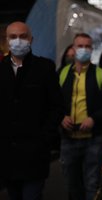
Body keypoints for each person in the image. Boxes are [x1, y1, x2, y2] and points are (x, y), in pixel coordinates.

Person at [0, 21, 65, 200]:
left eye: (23, 36)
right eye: (13, 37)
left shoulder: (44, 68)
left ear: (31, 39)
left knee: (32, 196)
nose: (18, 41)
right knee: (14, 196)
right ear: (6, 41)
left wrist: (44, 137)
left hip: (35, 152)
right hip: (7, 153)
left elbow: (57, 105)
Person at [59, 33, 102, 200]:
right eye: (80, 46)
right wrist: (62, 117)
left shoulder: (100, 74)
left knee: (92, 183)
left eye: (87, 46)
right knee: (72, 184)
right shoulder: (62, 74)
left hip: (93, 139)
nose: (83, 49)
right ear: (73, 49)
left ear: (92, 49)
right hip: (68, 138)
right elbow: (52, 101)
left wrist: (94, 118)